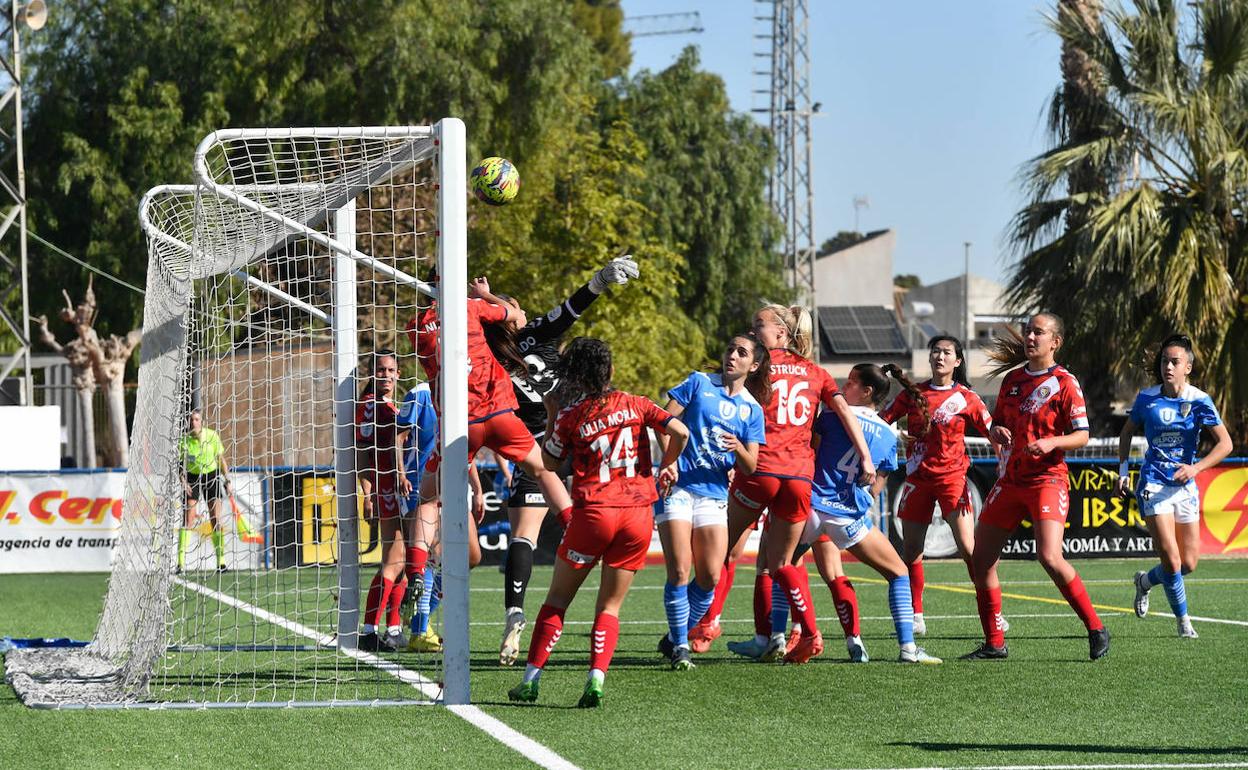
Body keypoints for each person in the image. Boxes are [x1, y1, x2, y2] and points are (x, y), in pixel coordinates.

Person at [508, 337, 689, 708]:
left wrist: (554, 414)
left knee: (557, 600)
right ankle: (596, 679)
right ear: (610, 371)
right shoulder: (638, 404)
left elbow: (550, 463)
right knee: (609, 607)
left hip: (595, 513)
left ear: (575, 375)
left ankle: (530, 681)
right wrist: (667, 464)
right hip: (638, 515)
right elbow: (681, 433)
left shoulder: (573, 414)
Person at [483, 255, 640, 666]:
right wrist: (601, 279)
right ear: (508, 316)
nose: (523, 310)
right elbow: (574, 305)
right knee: (591, 511)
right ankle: (599, 566)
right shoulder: (536, 331)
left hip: (533, 443)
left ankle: (514, 609)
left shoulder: (486, 354)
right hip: (583, 436)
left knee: (524, 535)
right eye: (514, 305)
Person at [720, 303, 875, 665]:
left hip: (762, 470)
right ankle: (807, 634)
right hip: (807, 484)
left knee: (725, 552)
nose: (752, 332)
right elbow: (843, 414)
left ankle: (703, 627)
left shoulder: (758, 367)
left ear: (781, 333)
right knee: (787, 563)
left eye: (759, 325)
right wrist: (865, 456)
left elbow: (737, 410)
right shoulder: (817, 374)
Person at [403, 276, 558, 609]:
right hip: (498, 413)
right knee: (545, 470)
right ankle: (574, 527)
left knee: (429, 503)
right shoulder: (472, 309)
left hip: (460, 428)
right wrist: (485, 296)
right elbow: (518, 318)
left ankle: (415, 572)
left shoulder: (414, 328)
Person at [963, 314, 1109, 661]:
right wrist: (996, 431)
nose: (1030, 336)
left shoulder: (1065, 382)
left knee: (1049, 556)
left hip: (1047, 479)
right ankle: (995, 643)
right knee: (980, 560)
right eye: (1028, 330)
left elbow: (1083, 435)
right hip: (1011, 480)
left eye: (1038, 332)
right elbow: (1000, 424)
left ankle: (1095, 627)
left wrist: (1051, 443)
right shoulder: (1013, 379)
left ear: (1055, 342)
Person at [805, 364, 942, 664]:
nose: (845, 384)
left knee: (777, 567)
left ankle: (780, 636)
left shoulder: (830, 415)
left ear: (867, 391)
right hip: (847, 516)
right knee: (898, 572)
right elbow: (877, 486)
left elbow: (810, 451)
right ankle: (907, 648)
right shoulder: (887, 433)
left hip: (812, 506)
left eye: (852, 382)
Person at [655, 333, 769, 670]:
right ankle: (679, 646)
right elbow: (663, 423)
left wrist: (739, 449)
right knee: (679, 569)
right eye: (730, 348)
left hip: (715, 494)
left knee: (709, 577)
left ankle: (676, 632)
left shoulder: (752, 408)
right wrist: (670, 460)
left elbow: (751, 465)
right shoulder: (698, 382)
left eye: (742, 352)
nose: (732, 355)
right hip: (678, 487)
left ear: (755, 364)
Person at [878, 337, 996, 636]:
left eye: (947, 353)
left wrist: (1008, 454)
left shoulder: (967, 398)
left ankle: (993, 611)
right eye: (935, 351)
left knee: (970, 550)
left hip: (953, 481)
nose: (939, 356)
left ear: (957, 361)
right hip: (918, 480)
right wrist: (895, 435)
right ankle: (916, 616)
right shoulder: (912, 394)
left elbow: (993, 431)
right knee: (912, 551)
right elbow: (881, 421)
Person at [1117, 334, 1233, 638]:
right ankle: (1184, 623)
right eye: (1164, 361)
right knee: (1171, 559)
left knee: (1188, 563)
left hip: (1185, 486)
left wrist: (1196, 467)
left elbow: (1226, 444)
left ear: (1188, 368)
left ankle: (1145, 582)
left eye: (1174, 361)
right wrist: (1123, 469)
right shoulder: (1147, 398)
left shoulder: (1199, 400)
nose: (1167, 366)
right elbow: (1126, 432)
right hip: (1153, 483)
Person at [355, 350, 412, 653]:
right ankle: (368, 629)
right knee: (395, 559)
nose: (386, 375)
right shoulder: (368, 406)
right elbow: (362, 453)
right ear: (372, 374)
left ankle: (392, 627)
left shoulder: (392, 405)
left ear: (398, 374)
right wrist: (368, 493)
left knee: (401, 561)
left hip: (399, 488)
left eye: (391, 370)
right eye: (380, 370)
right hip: (386, 488)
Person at [397, 381, 444, 653]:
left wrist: (477, 486)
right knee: (428, 556)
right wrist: (402, 474)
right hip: (420, 483)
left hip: (452, 481)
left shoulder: (463, 388)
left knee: (470, 556)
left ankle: (416, 617)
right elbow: (398, 436)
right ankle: (419, 627)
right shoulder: (420, 393)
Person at [178, 409, 232, 573]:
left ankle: (221, 562)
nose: (193, 422)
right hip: (193, 478)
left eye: (196, 419)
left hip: (211, 476)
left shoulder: (212, 436)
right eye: (191, 420)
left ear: (201, 422)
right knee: (189, 518)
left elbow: (221, 460)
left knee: (215, 518)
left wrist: (227, 480)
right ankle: (180, 563)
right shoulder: (184, 441)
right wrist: (183, 481)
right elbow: (180, 466)